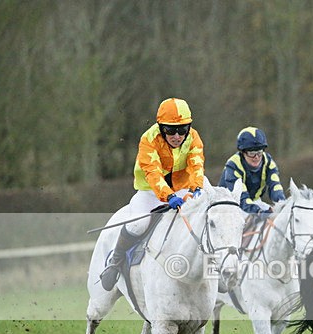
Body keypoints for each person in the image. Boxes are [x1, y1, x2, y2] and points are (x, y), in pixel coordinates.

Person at [100, 97, 206, 291]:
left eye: (182, 129)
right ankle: (115, 261)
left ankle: (215, 266)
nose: (177, 136)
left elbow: (196, 165)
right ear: (161, 128)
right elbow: (153, 173)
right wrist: (168, 196)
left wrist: (196, 189)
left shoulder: (194, 138)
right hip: (150, 192)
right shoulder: (148, 139)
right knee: (137, 224)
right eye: (170, 130)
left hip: (182, 189)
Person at [218, 127, 285, 215]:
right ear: (243, 153)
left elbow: (275, 186)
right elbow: (242, 198)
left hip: (254, 202)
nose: (256, 157)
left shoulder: (268, 162)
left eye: (259, 152)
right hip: (229, 206)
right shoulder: (233, 165)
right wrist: (259, 212)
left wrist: (282, 205)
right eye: (252, 153)